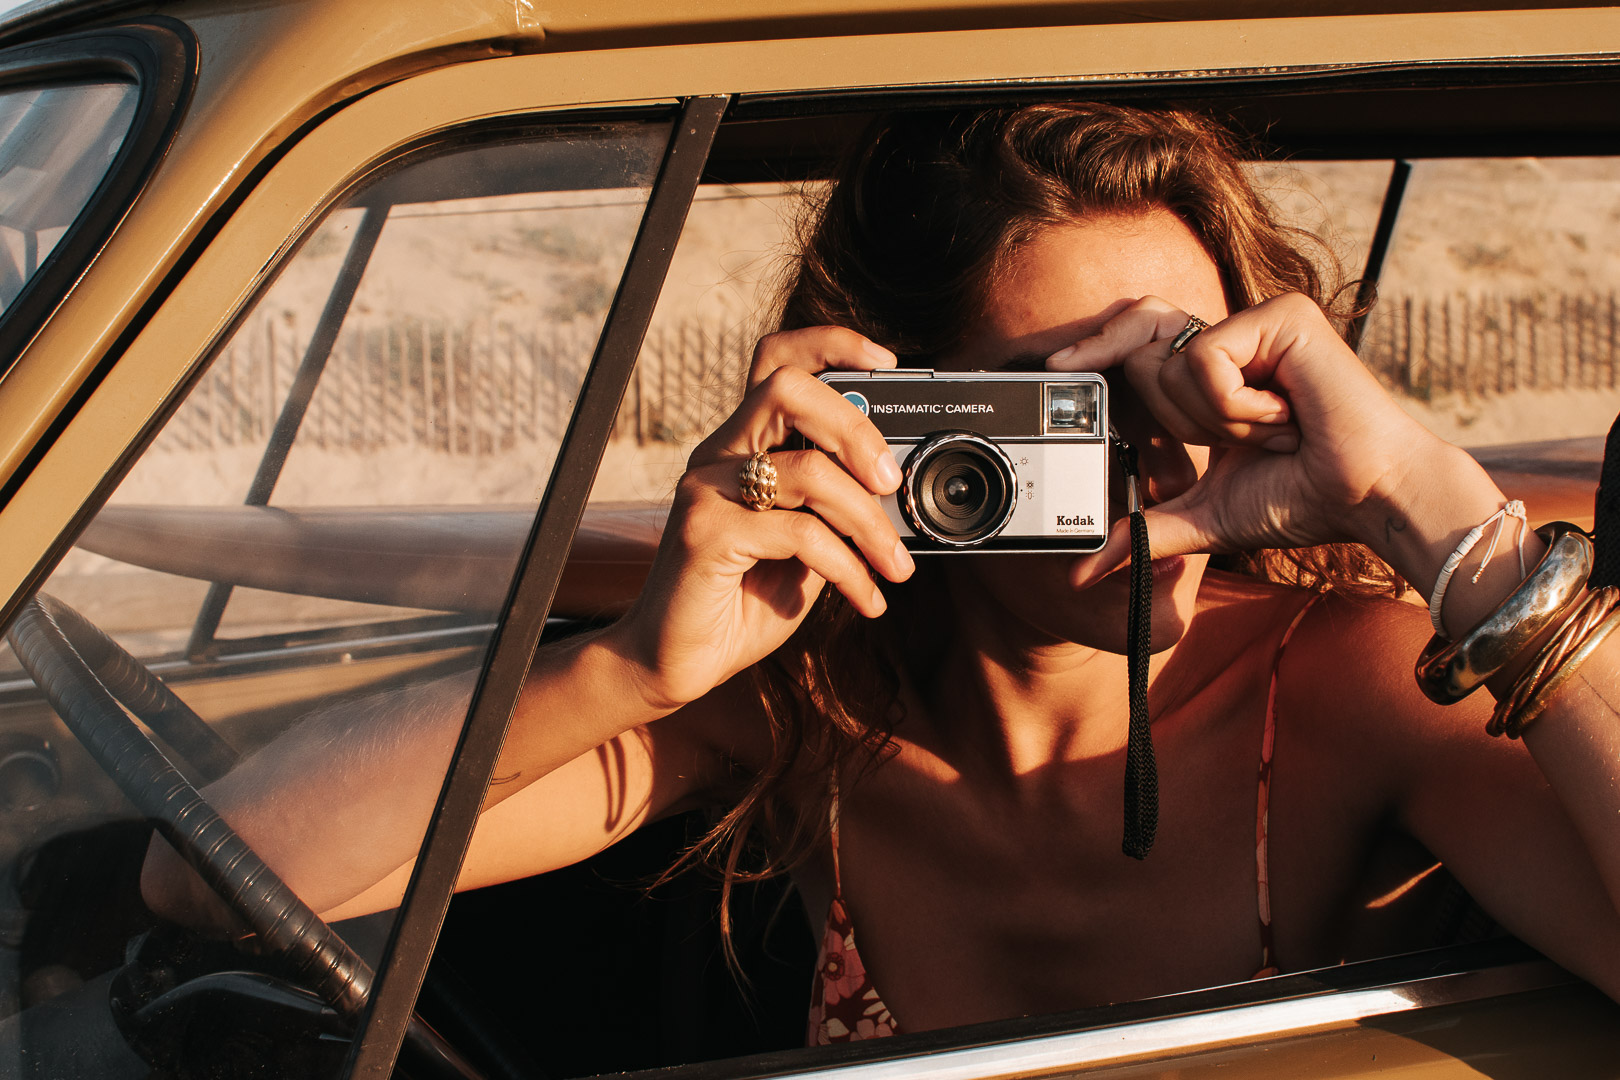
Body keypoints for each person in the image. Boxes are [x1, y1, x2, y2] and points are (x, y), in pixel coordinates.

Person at [142, 103, 1620, 1043]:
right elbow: (215, 877)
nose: (1145, 459)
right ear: (899, 423)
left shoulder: (1352, 681)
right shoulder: (805, 711)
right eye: (1055, 408)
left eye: (1182, 382)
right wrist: (636, 662)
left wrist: (1436, 513)